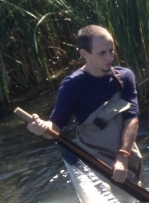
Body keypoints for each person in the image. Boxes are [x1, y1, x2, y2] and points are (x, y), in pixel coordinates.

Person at [26, 25, 142, 183]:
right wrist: (42, 128)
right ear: (84, 54)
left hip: (126, 156)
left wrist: (123, 156)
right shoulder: (73, 85)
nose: (109, 58)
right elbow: (55, 128)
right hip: (96, 164)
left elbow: (132, 117)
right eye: (102, 53)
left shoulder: (124, 77)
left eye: (111, 50)